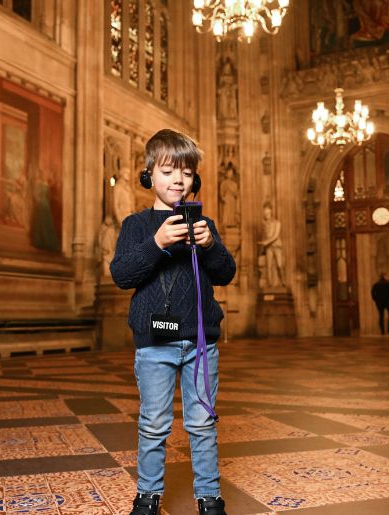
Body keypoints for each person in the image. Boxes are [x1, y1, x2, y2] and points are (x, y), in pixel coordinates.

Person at [111, 129, 235, 515]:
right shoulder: (136, 225)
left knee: (201, 424)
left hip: (200, 342)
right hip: (154, 344)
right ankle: (148, 495)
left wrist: (211, 246)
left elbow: (226, 273)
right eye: (167, 171)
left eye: (185, 172)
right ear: (149, 175)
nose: (177, 180)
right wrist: (158, 243)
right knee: (154, 423)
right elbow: (121, 274)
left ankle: (208, 496)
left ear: (194, 179)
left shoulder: (205, 225)